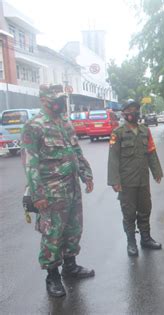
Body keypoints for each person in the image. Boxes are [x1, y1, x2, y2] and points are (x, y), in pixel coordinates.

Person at [21, 84, 95, 298]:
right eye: (57, 99)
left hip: (71, 187)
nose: (61, 102)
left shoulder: (64, 122)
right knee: (53, 233)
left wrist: (86, 174)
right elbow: (30, 163)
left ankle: (70, 266)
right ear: (44, 100)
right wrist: (38, 195)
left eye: (62, 98)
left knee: (74, 228)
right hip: (51, 193)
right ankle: (52, 276)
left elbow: (75, 151)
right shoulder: (34, 126)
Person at [108, 100, 164, 257]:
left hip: (142, 179)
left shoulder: (145, 131)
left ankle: (146, 239)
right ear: (124, 113)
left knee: (145, 209)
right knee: (129, 213)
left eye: (136, 109)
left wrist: (156, 172)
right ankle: (131, 242)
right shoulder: (118, 133)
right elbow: (113, 158)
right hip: (127, 182)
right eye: (130, 110)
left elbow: (151, 152)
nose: (134, 112)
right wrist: (115, 181)